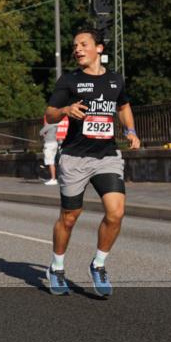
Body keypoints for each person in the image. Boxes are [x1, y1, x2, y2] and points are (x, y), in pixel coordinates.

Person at [44, 28, 140, 298]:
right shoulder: (69, 80)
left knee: (116, 212)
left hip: (106, 156)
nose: (77, 49)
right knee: (70, 217)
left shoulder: (115, 80)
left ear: (99, 48)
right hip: (75, 157)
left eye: (83, 44)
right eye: (75, 46)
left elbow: (123, 106)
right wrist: (64, 110)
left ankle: (98, 265)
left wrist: (130, 131)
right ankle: (57, 268)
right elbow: (50, 114)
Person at [39, 118, 59, 185]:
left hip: (49, 144)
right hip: (54, 143)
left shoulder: (50, 124)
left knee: (50, 162)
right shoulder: (56, 125)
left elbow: (41, 132)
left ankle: (53, 179)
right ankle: (52, 178)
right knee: (52, 161)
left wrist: (45, 136)